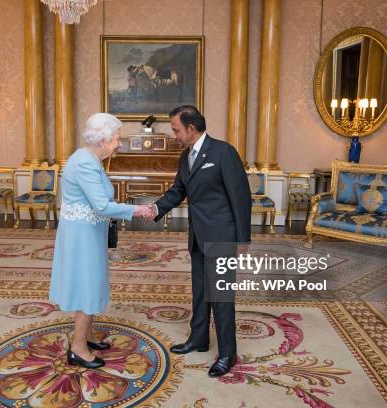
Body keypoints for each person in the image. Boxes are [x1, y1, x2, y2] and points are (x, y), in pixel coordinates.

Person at [150, 105, 251, 377]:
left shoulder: (223, 152)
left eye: (176, 130)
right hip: (197, 236)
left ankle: (228, 352)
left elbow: (241, 197)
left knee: (221, 296)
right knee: (200, 291)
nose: (174, 135)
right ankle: (199, 339)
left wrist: (242, 239)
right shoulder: (186, 157)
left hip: (221, 236)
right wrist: (156, 208)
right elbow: (177, 190)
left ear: (191, 128)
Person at [49, 113, 154, 369]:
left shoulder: (90, 158)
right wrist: (136, 210)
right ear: (103, 140)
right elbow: (100, 205)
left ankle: (87, 335)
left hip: (87, 232)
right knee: (88, 285)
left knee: (92, 280)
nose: (119, 144)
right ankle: (78, 348)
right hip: (82, 235)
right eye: (117, 139)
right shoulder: (85, 163)